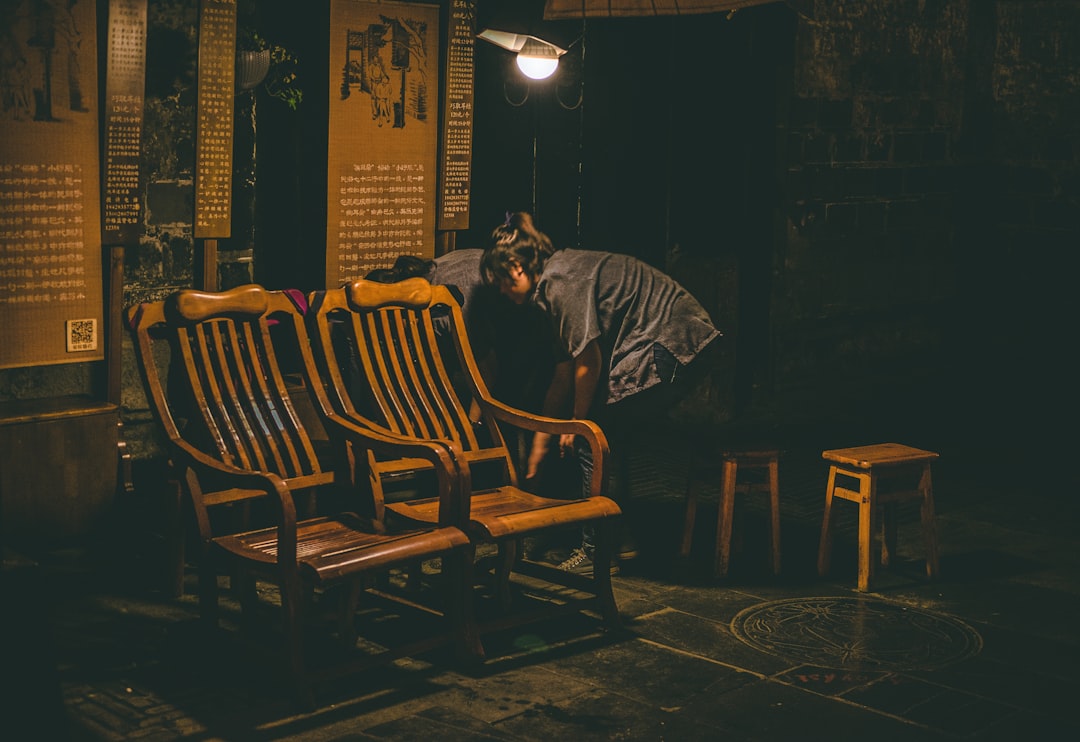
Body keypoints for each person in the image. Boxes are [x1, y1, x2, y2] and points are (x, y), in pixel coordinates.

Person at [481, 211, 723, 573]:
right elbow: (563, 373)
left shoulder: (559, 281)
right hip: (677, 338)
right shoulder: (553, 285)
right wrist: (539, 449)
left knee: (590, 438)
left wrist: (578, 423)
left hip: (674, 339)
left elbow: (587, 362)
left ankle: (598, 551)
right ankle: (619, 541)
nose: (500, 290)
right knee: (605, 435)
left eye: (499, 280)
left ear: (516, 267)